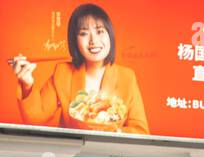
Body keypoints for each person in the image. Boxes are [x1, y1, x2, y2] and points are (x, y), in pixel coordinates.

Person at [12, 4, 149, 135]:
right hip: (71, 152)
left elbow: (141, 131)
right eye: (83, 33)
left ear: (110, 35)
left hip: (110, 153)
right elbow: (36, 120)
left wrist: (115, 133)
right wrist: (27, 84)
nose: (93, 41)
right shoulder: (63, 73)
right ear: (74, 40)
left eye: (100, 31)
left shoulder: (127, 77)